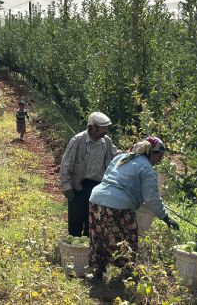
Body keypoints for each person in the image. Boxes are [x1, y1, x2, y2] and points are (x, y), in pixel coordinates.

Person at [88, 137, 180, 282]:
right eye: (160, 157)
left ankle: (98, 272)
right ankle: (126, 275)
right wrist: (166, 218)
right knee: (128, 239)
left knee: (99, 237)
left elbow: (108, 178)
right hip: (118, 205)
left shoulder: (122, 158)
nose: (160, 161)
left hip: (96, 200)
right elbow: (152, 199)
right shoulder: (147, 169)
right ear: (153, 153)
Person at [60, 112, 121, 237]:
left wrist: (132, 154)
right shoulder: (77, 140)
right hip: (78, 186)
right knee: (75, 223)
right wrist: (66, 186)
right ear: (92, 127)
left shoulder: (106, 141)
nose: (105, 131)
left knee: (92, 222)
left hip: (97, 187)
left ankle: (87, 251)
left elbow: (116, 155)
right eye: (103, 128)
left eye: (106, 128)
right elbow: (66, 164)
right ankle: (74, 250)